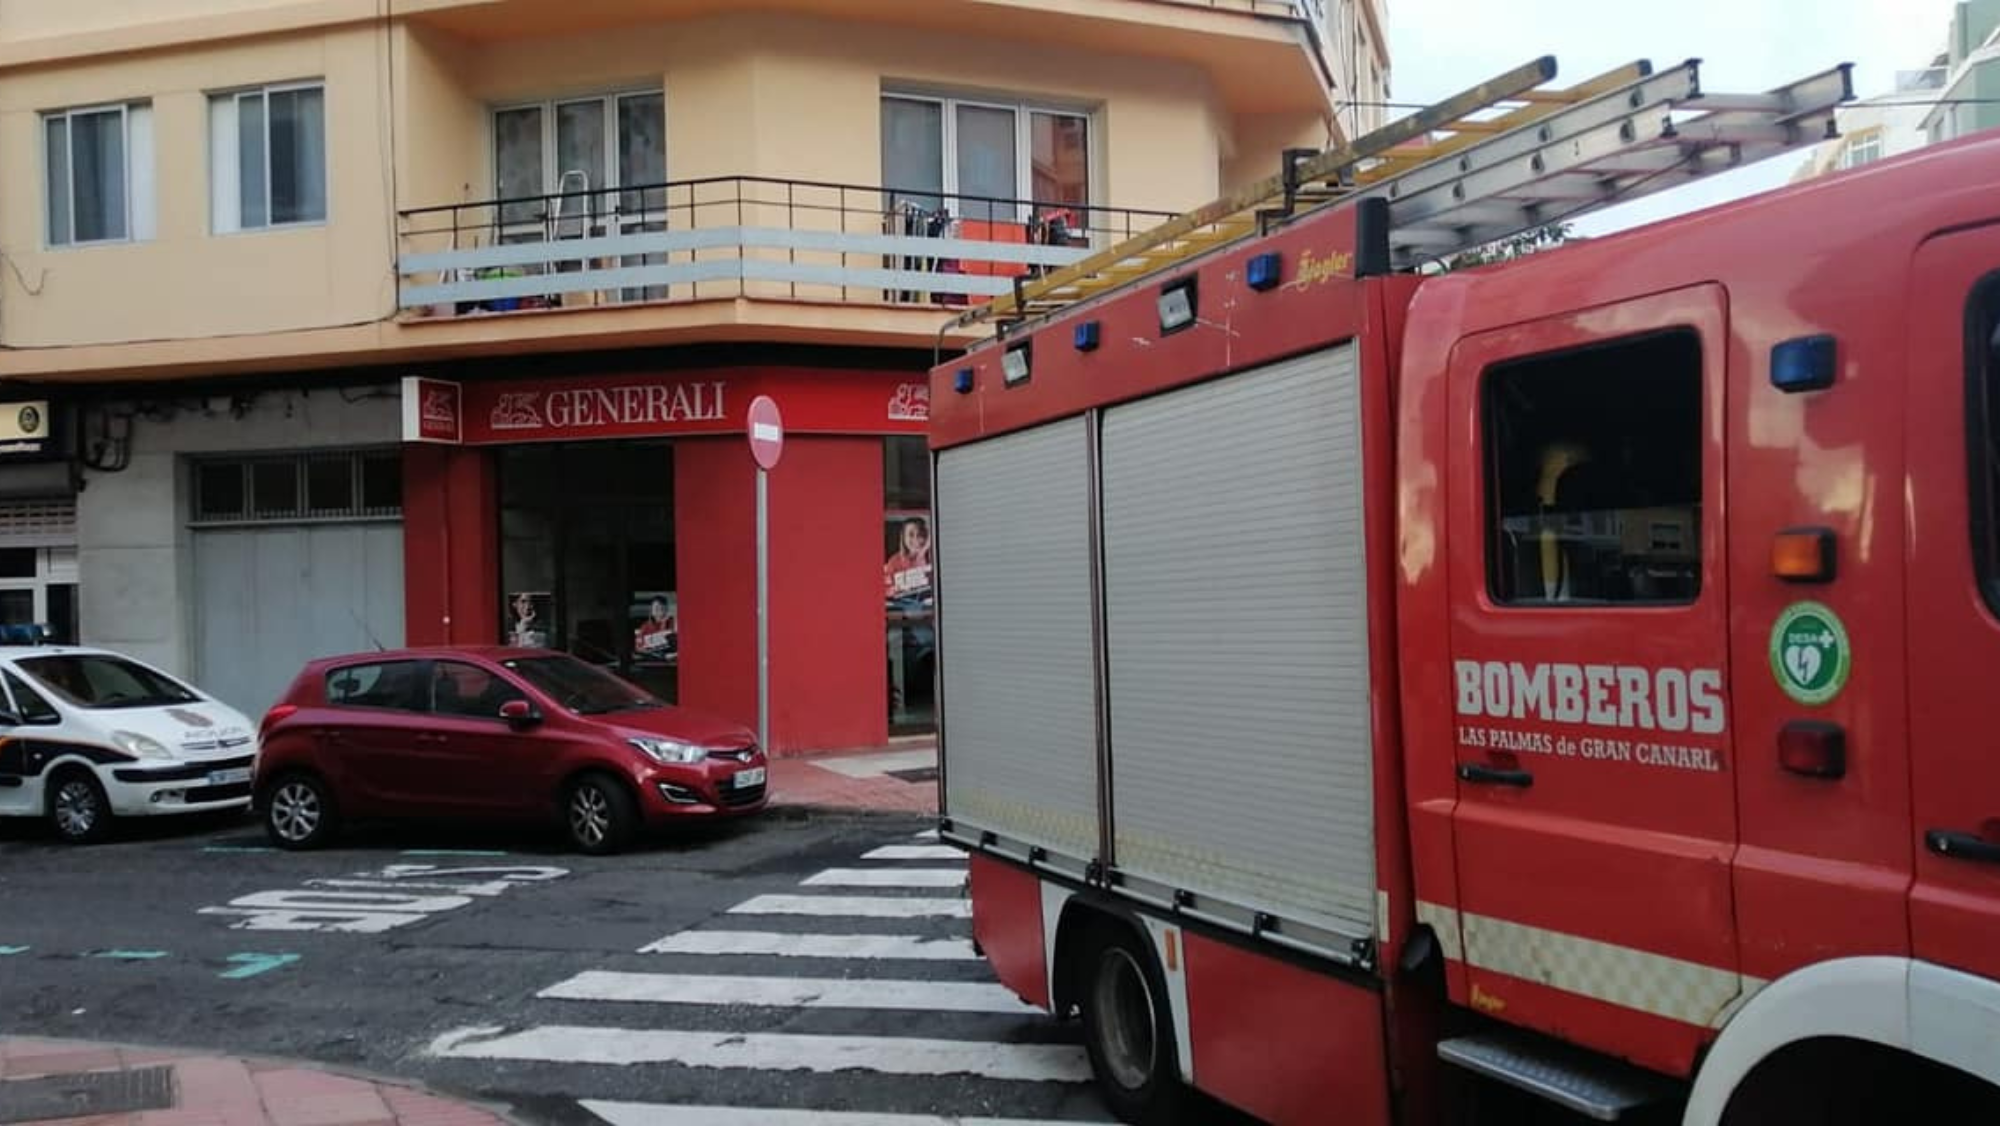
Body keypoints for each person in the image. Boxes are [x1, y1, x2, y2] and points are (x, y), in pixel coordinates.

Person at [883, 517, 933, 612]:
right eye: (910, 535)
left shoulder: (931, 557)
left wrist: (922, 552)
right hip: (901, 609)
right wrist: (893, 590)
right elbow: (887, 590)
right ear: (904, 538)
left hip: (927, 610)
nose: (916, 539)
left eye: (920, 535)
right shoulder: (894, 561)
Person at [633, 596, 677, 660]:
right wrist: (663, 656)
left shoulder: (673, 623)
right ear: (651, 610)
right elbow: (639, 648)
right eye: (656, 608)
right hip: (653, 658)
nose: (659, 611)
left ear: (666, 609)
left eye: (662, 608)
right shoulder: (645, 626)